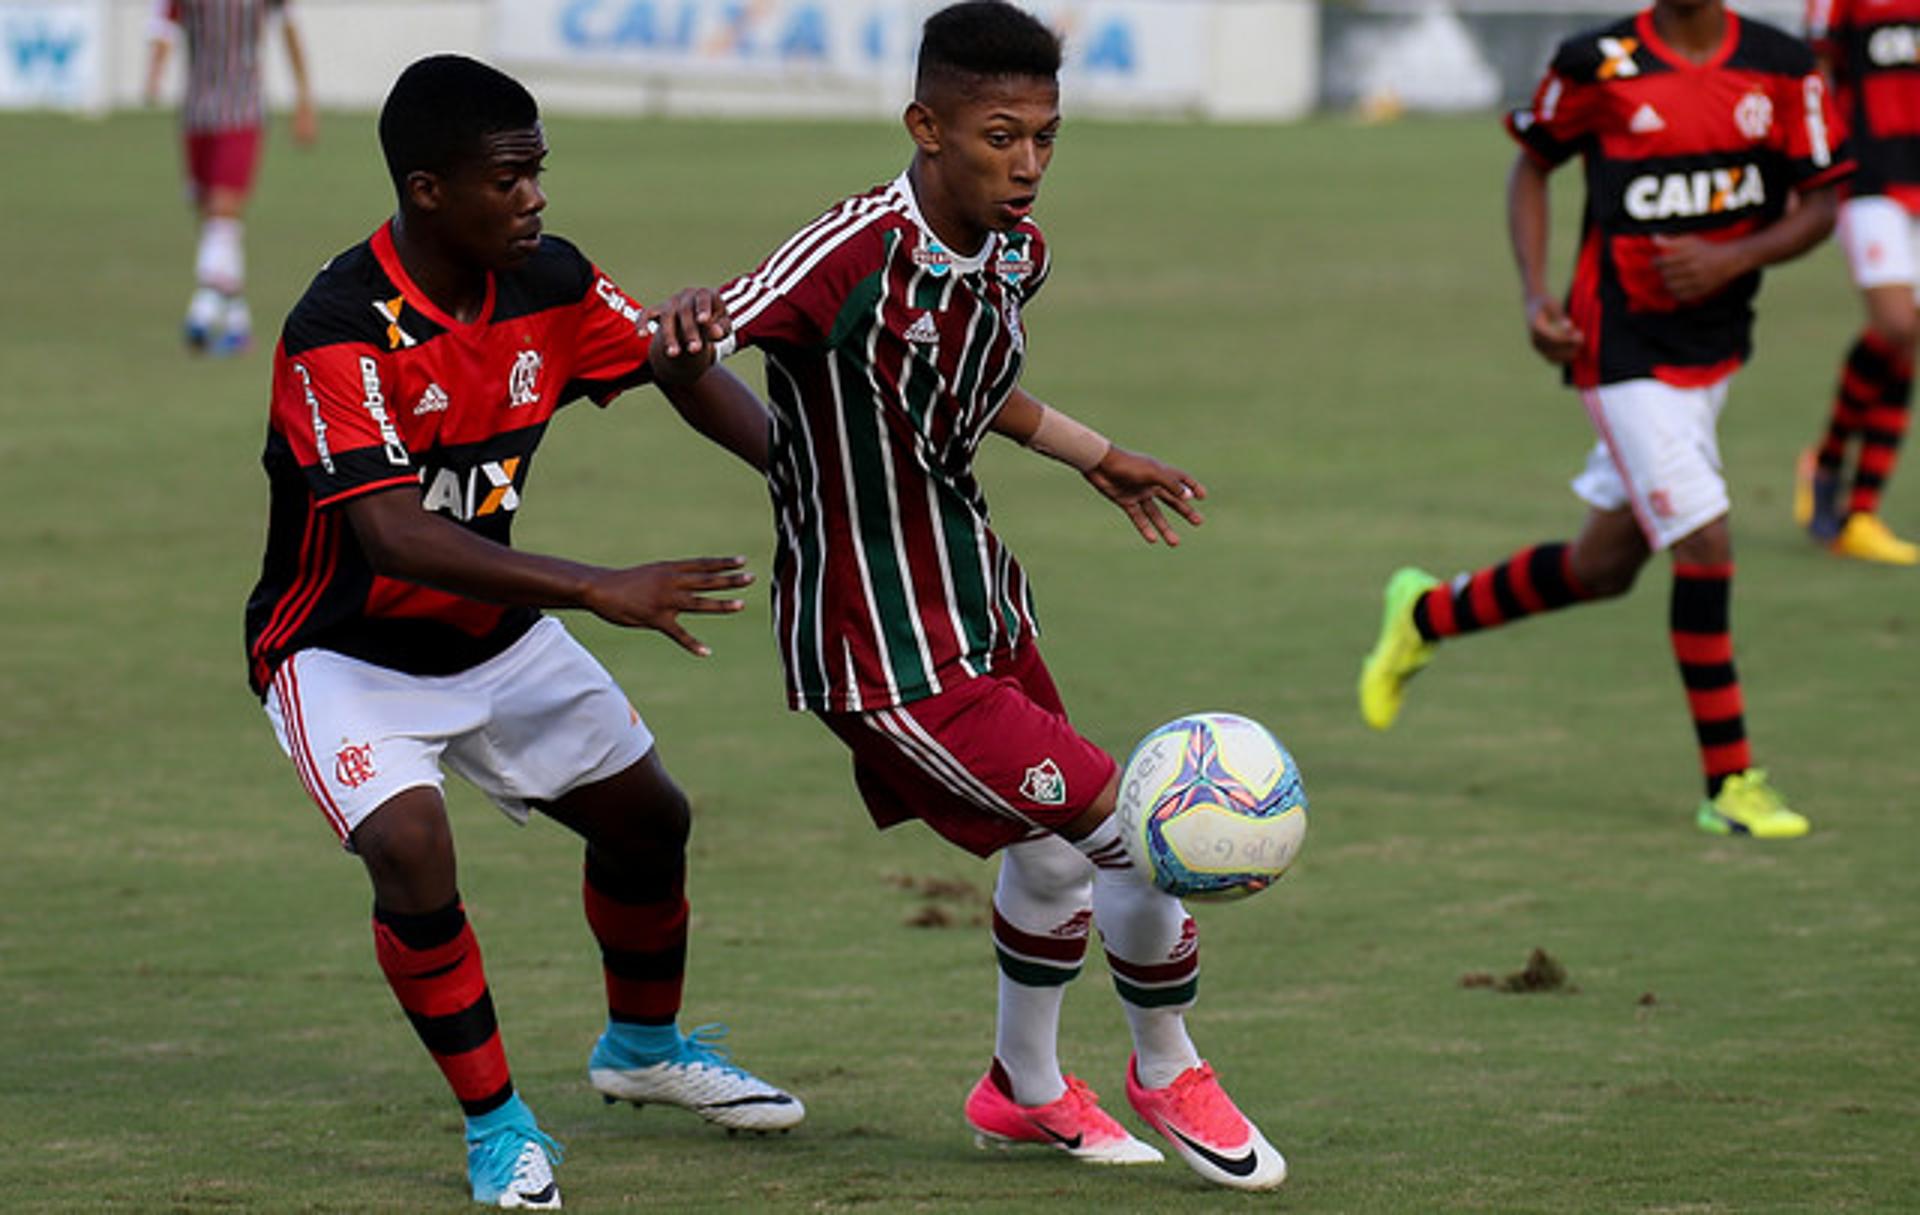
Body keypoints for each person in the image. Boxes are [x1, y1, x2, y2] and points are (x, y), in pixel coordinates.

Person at [656, 0, 1285, 1192]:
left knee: (1050, 860)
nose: (1030, 164)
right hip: (880, 648)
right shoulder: (846, 252)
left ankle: (1022, 1090)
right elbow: (690, 345)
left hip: (978, 601)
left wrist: (1096, 453)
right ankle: (1170, 1064)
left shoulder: (1013, 251)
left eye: (1048, 136)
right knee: (1135, 836)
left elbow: (962, 381)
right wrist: (715, 369)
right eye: (1003, 136)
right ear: (926, 126)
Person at [243, 55, 800, 1210]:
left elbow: (663, 362)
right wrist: (599, 586)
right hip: (342, 652)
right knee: (409, 848)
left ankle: (643, 1053)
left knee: (650, 820)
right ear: (429, 188)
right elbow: (392, 538)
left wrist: (799, 478)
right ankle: (498, 1127)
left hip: (493, 629)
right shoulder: (339, 326)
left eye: (541, 171)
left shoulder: (547, 278)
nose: (537, 197)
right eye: (512, 177)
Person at [1358, 0, 1851, 839]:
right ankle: (1730, 782)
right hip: (1616, 345)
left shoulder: (1781, 65)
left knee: (1603, 565)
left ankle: (1425, 615)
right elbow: (1531, 165)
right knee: (1704, 540)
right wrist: (1534, 294)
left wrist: (1733, 257)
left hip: (1713, 348)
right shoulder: (1598, 63)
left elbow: (1822, 202)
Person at [1794, 0, 1920, 563]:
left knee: (1908, 339)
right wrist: (1806, 164)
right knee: (1896, 325)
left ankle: (1857, 510)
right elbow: (1815, 76)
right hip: (1869, 172)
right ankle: (1831, 473)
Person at [145, 0, 317, 355]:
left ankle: (203, 310)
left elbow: (289, 28)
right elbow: (163, 26)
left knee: (223, 208)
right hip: (196, 111)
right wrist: (155, 72)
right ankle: (237, 322)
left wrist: (303, 98)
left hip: (242, 110)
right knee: (210, 216)